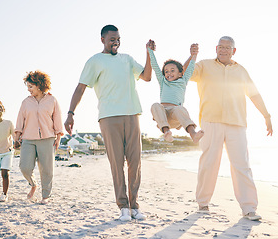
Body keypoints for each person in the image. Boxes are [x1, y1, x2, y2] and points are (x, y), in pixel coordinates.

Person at [64, 25, 152, 221]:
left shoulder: (127, 59)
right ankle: (123, 206)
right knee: (117, 162)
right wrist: (71, 113)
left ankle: (134, 206)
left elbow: (146, 76)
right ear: (103, 40)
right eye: (112, 39)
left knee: (135, 162)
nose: (116, 42)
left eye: (118, 39)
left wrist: (149, 53)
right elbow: (80, 88)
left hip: (132, 114)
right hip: (109, 117)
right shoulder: (95, 61)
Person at [190, 36, 273, 221]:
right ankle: (203, 203)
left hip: (237, 123)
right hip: (211, 121)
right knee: (209, 163)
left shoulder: (241, 70)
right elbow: (186, 73)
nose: (223, 50)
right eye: (220, 47)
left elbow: (254, 94)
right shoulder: (204, 66)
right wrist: (193, 56)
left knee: (242, 165)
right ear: (216, 48)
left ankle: (249, 208)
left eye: (227, 47)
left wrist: (267, 116)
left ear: (234, 51)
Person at [14, 70, 63, 205]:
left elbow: (57, 119)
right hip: (28, 139)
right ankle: (33, 184)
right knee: (24, 167)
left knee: (47, 169)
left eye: (31, 86)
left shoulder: (52, 100)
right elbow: (20, 121)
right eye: (28, 87)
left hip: (48, 138)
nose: (28, 90)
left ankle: (46, 196)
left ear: (39, 85)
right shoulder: (25, 102)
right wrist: (17, 137)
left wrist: (58, 137)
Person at [148, 43, 204, 143]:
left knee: (179, 109)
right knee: (155, 105)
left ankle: (193, 134)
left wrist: (194, 55)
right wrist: (150, 51)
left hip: (175, 115)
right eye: (166, 71)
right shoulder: (163, 81)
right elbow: (155, 66)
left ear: (180, 73)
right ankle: (166, 133)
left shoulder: (183, 80)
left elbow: (191, 67)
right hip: (163, 115)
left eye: (172, 70)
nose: (169, 73)